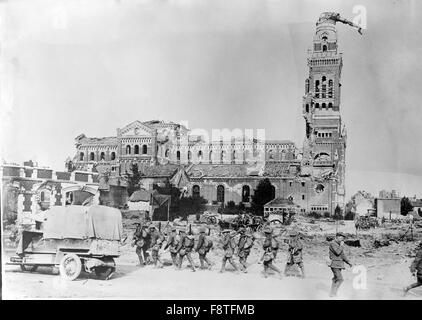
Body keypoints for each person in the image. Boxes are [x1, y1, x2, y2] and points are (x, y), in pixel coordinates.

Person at [328, 232, 353, 297]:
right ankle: (333, 293)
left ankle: (332, 293)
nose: (342, 240)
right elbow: (338, 252)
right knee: (340, 279)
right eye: (341, 238)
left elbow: (342, 255)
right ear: (337, 237)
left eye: (343, 238)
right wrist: (341, 246)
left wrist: (348, 262)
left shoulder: (338, 245)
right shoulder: (332, 243)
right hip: (334, 264)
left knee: (335, 279)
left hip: (339, 264)